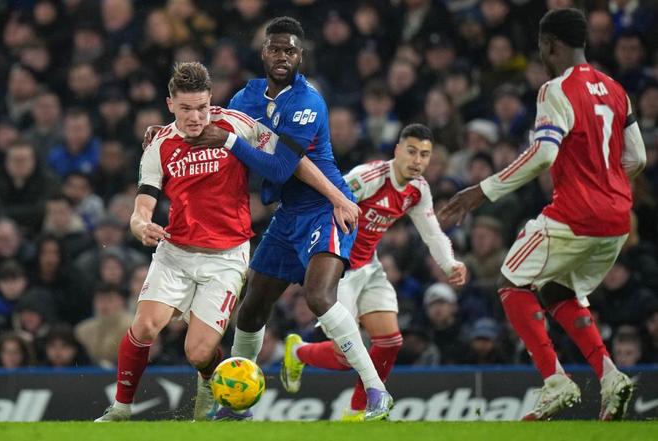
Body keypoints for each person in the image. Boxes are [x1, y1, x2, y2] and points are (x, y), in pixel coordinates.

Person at [95, 61, 358, 422]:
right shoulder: (159, 144)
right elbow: (143, 205)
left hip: (225, 257)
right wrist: (141, 225)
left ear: (211, 100)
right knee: (144, 326)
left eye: (201, 107)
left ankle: (208, 379)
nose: (195, 117)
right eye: (186, 108)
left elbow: (291, 159)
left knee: (199, 353)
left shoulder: (236, 125)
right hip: (175, 253)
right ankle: (121, 408)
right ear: (170, 104)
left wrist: (337, 197)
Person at [439, 8, 646, 421]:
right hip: (616, 219)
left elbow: (544, 153)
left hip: (576, 214)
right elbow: (637, 157)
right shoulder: (616, 89)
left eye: (540, 46)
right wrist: (605, 182)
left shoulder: (555, 89)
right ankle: (610, 377)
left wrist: (482, 190)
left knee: (511, 281)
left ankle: (556, 381)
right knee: (555, 291)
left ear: (550, 45)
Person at [185, 17, 393, 421]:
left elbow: (281, 168)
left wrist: (229, 140)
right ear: (264, 52)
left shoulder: (307, 102)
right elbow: (206, 126)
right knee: (251, 309)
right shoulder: (246, 96)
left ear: (301, 56)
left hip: (325, 209)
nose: (282, 56)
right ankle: (237, 406)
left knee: (319, 297)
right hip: (288, 215)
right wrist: (164, 134)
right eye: (276, 49)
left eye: (290, 50)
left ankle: (376, 392)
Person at [279, 124, 466, 421]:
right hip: (339, 270)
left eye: (424, 155)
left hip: (370, 267)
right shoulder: (369, 177)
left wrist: (449, 264)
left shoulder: (418, 190)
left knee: (390, 342)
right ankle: (299, 352)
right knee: (345, 358)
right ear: (397, 150)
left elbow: (432, 233)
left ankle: (356, 412)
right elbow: (326, 202)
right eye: (412, 151)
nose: (417, 160)